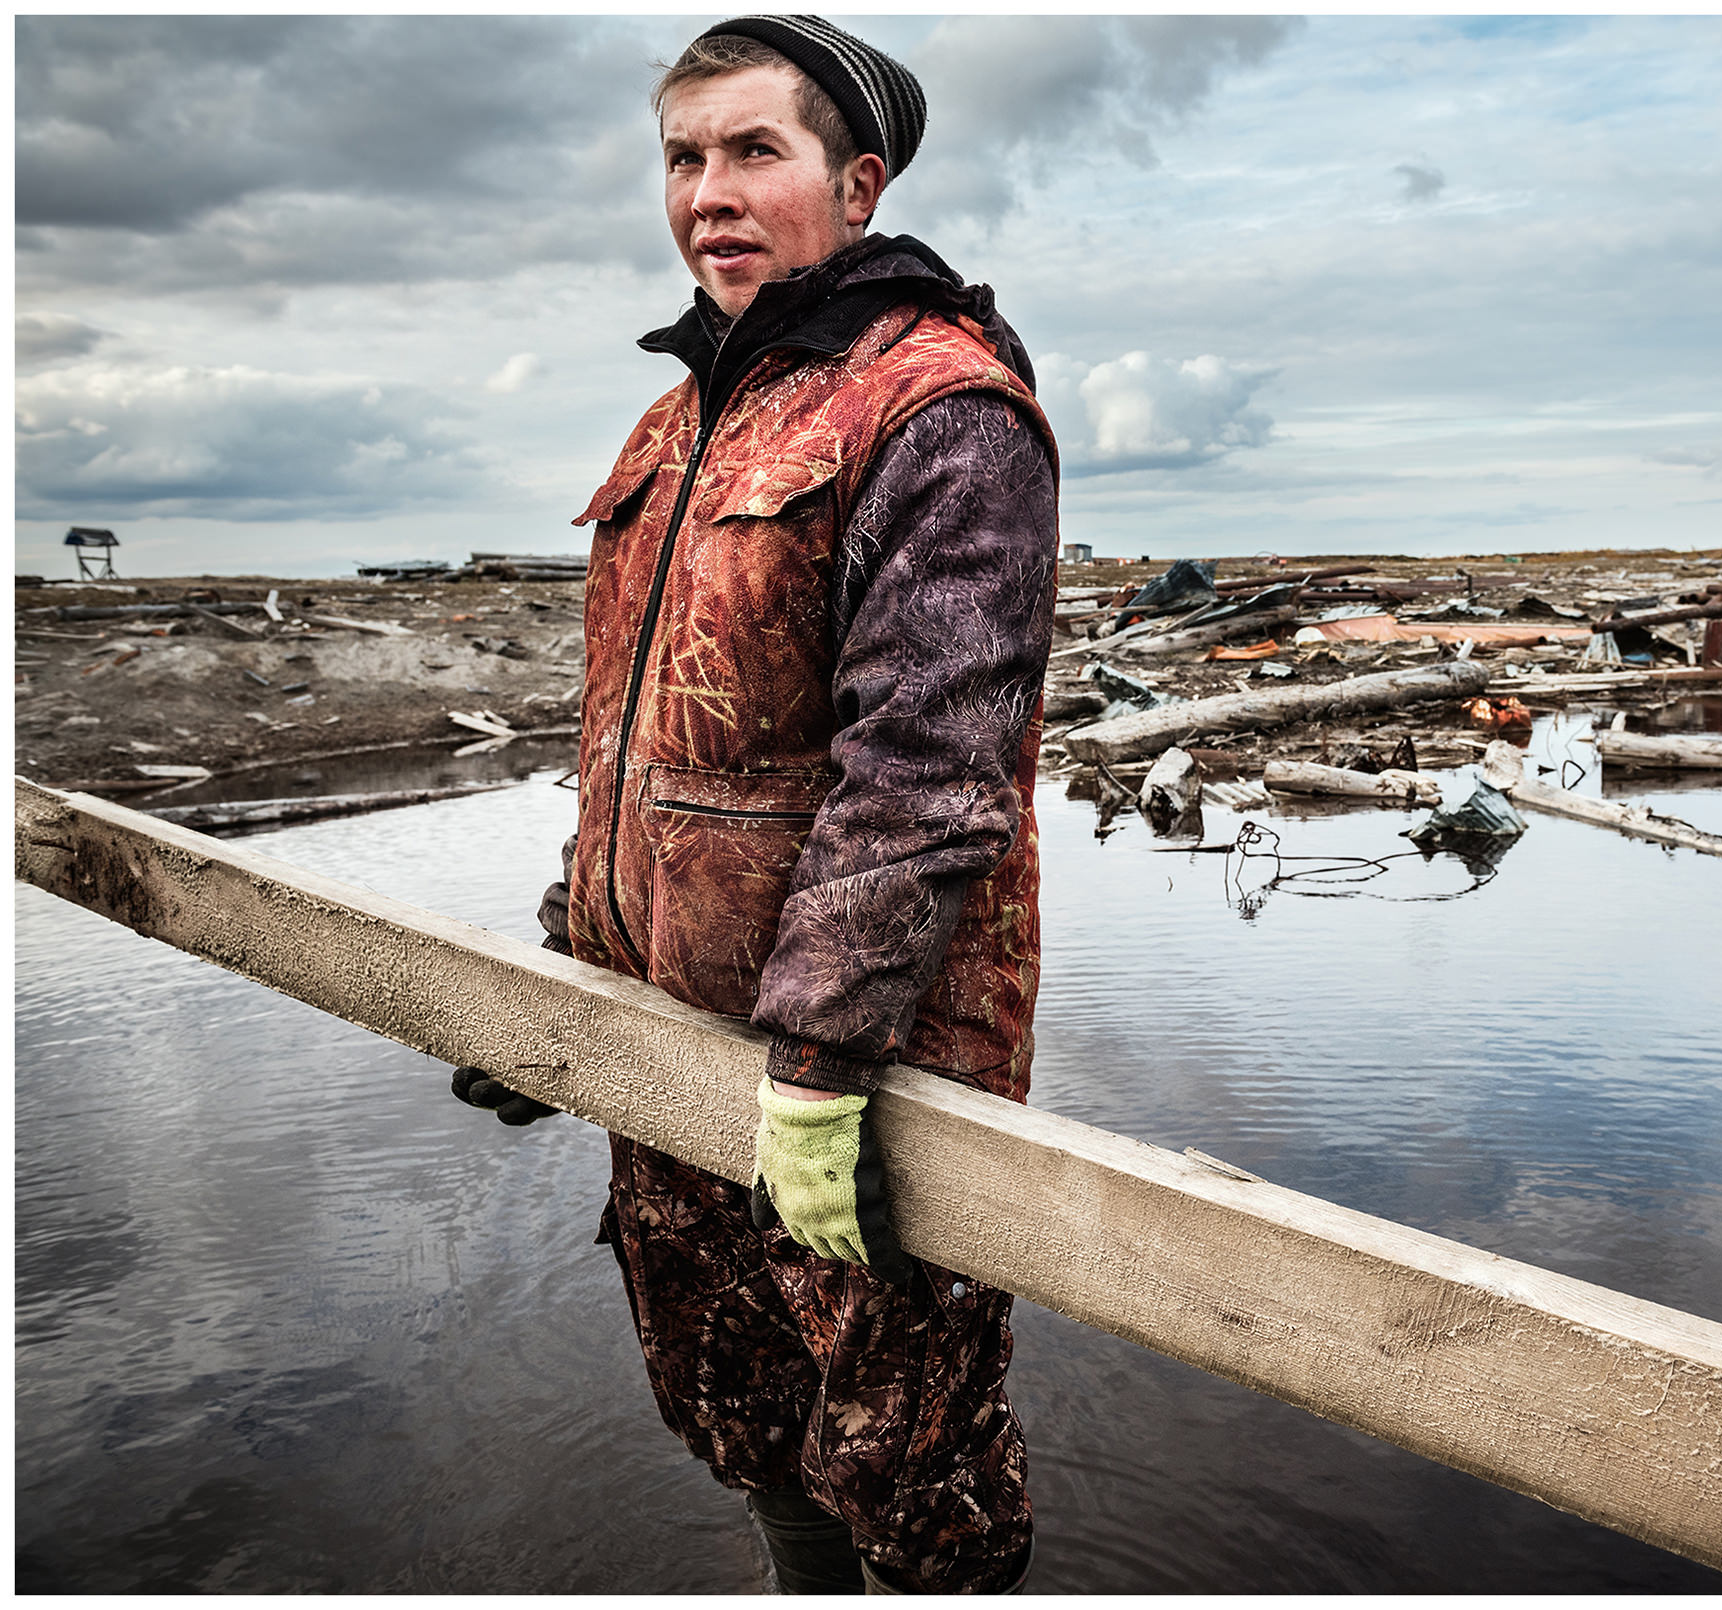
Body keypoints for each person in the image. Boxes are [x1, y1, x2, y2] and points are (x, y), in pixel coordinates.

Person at [451, 14, 1058, 1594]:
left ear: (856, 185)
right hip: (667, 1040)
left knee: (911, 1453)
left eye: (752, 152)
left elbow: (924, 774)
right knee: (741, 1409)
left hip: (861, 1072)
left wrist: (818, 1068)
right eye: (682, 157)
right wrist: (559, 969)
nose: (706, 192)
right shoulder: (677, 421)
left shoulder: (940, 409)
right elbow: (636, 748)